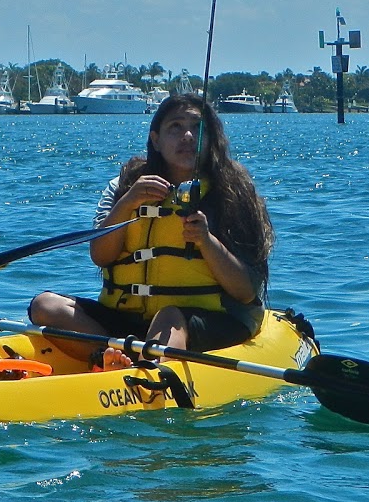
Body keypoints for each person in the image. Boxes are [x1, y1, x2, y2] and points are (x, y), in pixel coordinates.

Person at [28, 92, 272, 364]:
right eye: (175, 127)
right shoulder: (122, 187)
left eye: (197, 128)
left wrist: (206, 241)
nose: (188, 136)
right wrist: (128, 201)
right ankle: (108, 359)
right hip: (131, 319)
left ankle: (149, 373)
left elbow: (246, 292)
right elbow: (101, 256)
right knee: (45, 306)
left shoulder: (231, 192)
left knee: (168, 315)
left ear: (210, 139)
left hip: (210, 319)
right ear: (156, 140)